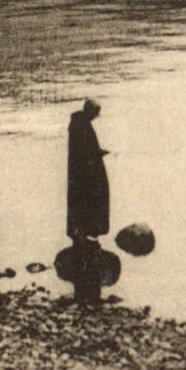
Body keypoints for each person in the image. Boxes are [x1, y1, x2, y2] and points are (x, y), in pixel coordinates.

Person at [67, 99, 110, 306]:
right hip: (85, 183)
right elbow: (85, 154)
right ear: (91, 111)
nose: (97, 116)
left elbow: (83, 152)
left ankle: (83, 238)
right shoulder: (81, 126)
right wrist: (98, 154)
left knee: (82, 212)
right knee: (86, 210)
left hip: (81, 182)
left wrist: (96, 153)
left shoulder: (79, 124)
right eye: (97, 112)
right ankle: (85, 240)